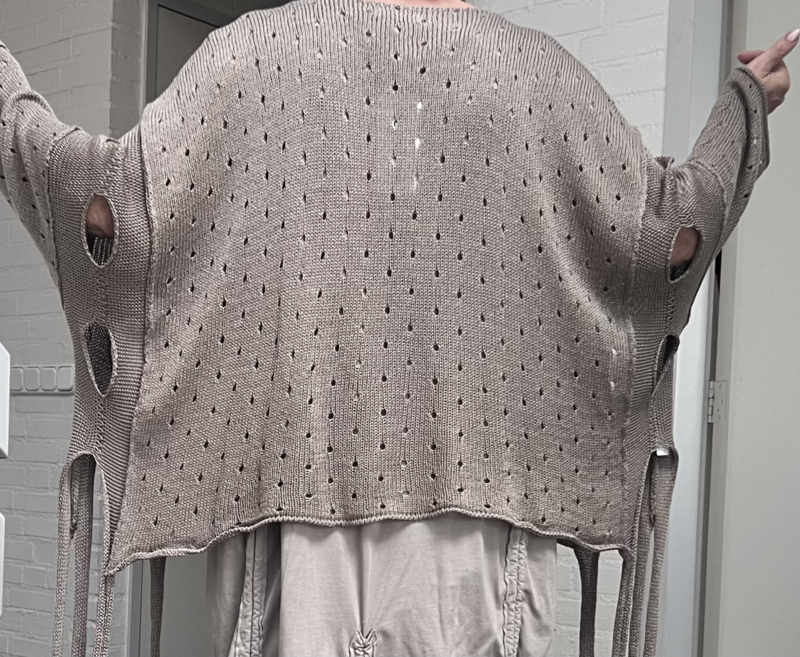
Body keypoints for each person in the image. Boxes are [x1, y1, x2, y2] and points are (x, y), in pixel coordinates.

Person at [1, 1, 795, 656]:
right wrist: (743, 111)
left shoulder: (249, 60)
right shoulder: (538, 77)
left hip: (291, 547)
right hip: (475, 551)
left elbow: (107, 213)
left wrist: (9, 103)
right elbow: (669, 240)